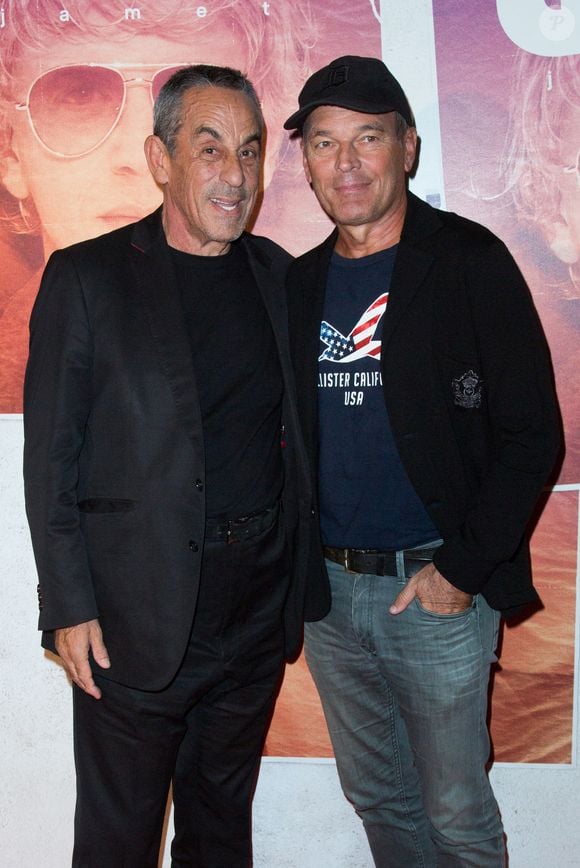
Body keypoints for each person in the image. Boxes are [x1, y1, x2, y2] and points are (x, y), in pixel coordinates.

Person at [24, 64, 324, 868]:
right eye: (210, 148)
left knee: (221, 836)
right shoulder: (87, 279)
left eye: (250, 152)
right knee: (118, 845)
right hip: (133, 622)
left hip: (255, 617)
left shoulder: (280, 277)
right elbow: (51, 456)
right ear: (161, 160)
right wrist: (68, 604)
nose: (236, 175)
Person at [283, 55, 561, 866]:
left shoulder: (471, 262)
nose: (347, 164)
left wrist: (462, 573)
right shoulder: (297, 285)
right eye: (326, 143)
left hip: (436, 590)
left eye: (367, 138)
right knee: (377, 798)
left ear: (406, 147)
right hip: (330, 599)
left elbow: (532, 435)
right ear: (305, 162)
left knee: (456, 812)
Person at [0, 0, 318, 411]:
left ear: (264, 155)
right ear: (10, 153)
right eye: (80, 95)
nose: (138, 157)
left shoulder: (289, 286)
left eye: (208, 135)